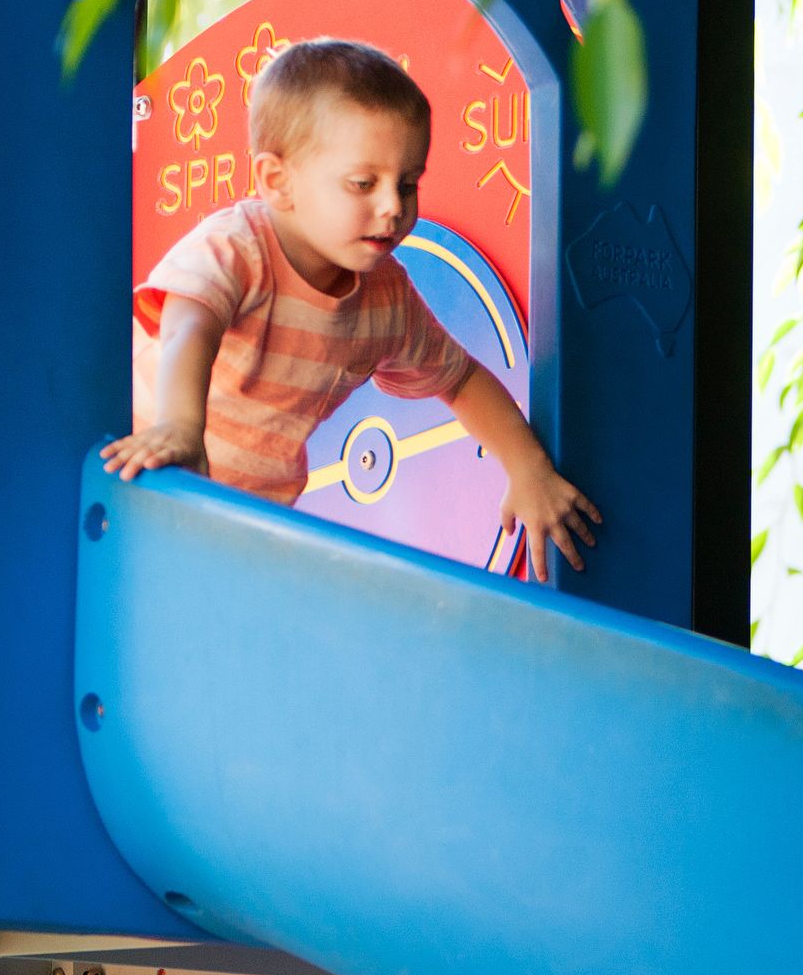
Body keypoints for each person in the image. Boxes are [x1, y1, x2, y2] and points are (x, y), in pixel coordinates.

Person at [100, 36, 601, 573]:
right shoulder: (239, 248)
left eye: (408, 184)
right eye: (363, 184)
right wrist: (179, 426)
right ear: (278, 181)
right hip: (146, 468)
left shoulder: (386, 299)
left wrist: (526, 467)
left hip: (248, 518)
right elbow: (188, 324)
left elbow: (458, 378)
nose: (392, 207)